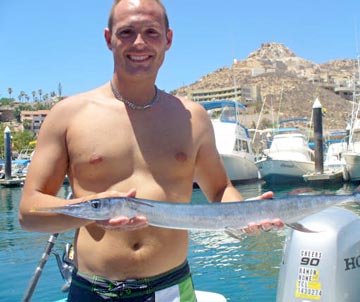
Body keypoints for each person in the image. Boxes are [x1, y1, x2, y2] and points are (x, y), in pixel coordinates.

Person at [19, 0, 283, 301]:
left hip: (172, 288)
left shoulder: (193, 117)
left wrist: (248, 214)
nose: (140, 42)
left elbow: (220, 189)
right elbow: (30, 211)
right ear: (109, 39)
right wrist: (93, 211)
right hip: (93, 291)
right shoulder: (67, 116)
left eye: (151, 32)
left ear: (168, 39)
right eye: (127, 32)